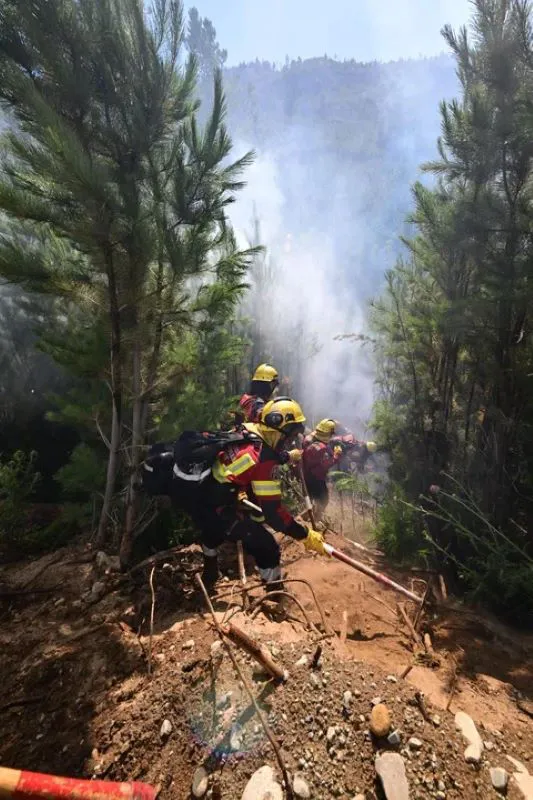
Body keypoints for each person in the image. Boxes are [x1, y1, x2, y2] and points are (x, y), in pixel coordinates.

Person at [171, 396, 327, 593]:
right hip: (216, 507)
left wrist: (286, 457)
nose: (289, 440)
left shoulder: (248, 430)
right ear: (279, 429)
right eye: (290, 434)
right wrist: (305, 535)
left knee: (211, 533)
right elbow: (274, 515)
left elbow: (245, 459)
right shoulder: (264, 461)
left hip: (202, 495)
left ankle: (210, 574)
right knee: (267, 546)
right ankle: (274, 593)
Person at [301, 418, 344, 519]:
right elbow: (324, 465)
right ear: (329, 433)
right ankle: (314, 519)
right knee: (324, 500)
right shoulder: (320, 448)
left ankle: (308, 517)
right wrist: (336, 456)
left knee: (311, 500)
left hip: (305, 475)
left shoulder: (309, 438)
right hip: (316, 478)